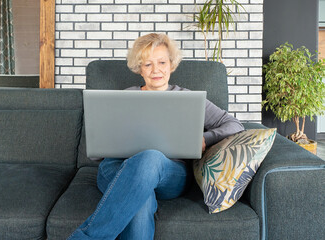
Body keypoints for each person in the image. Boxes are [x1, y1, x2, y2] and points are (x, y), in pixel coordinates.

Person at [67, 33, 244, 240]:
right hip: (118, 167)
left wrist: (207, 138)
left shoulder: (187, 98)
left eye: (162, 62)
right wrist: (105, 142)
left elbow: (235, 125)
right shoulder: (123, 98)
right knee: (141, 200)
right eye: (148, 64)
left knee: (150, 157)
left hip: (170, 172)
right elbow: (97, 155)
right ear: (139, 68)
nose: (156, 70)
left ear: (171, 64)